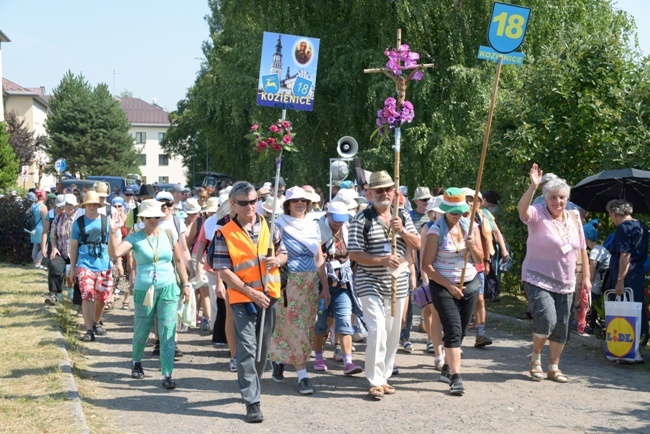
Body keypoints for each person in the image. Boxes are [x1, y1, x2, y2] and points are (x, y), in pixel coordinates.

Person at [211, 182, 286, 423]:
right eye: (243, 203)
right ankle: (252, 402)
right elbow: (223, 270)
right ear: (233, 204)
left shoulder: (269, 225)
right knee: (246, 350)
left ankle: (252, 383)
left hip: (270, 295)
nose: (249, 206)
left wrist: (279, 260)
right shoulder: (224, 233)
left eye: (253, 201)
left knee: (262, 351)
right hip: (243, 298)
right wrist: (250, 292)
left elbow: (283, 252)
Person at [348, 171, 420, 400]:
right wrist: (381, 260)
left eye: (388, 189)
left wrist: (403, 231)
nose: (385, 193)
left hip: (396, 281)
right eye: (379, 190)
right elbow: (354, 253)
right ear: (370, 193)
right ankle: (374, 379)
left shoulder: (404, 216)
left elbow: (417, 244)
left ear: (394, 191)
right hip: (370, 281)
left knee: (392, 332)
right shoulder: (362, 219)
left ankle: (385, 376)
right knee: (377, 328)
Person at [518, 163, 590, 383]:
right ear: (545, 198)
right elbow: (522, 210)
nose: (558, 202)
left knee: (562, 326)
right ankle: (536, 358)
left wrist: (586, 277)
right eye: (553, 198)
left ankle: (554, 366)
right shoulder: (537, 214)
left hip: (566, 280)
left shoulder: (574, 217)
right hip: (537, 276)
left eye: (561, 197)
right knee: (547, 319)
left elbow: (582, 249)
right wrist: (532, 187)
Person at [108, 199, 190, 390]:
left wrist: (185, 284)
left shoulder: (169, 234)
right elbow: (115, 252)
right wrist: (113, 232)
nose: (153, 220)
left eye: (157, 217)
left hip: (168, 286)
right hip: (145, 289)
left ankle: (167, 373)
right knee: (142, 329)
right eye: (149, 217)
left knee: (168, 330)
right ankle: (136, 361)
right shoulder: (135, 237)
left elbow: (178, 260)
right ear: (142, 218)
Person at [421, 187, 483, 395]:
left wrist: (472, 247)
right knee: (454, 330)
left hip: (470, 283)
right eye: (453, 212)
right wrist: (450, 286)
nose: (457, 216)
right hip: (443, 286)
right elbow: (427, 266)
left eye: (460, 212)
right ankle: (456, 378)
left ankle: (447, 366)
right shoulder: (435, 232)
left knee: (462, 331)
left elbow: (481, 259)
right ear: (445, 210)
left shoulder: (471, 226)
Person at [269, 186, 330, 396]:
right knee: (292, 327)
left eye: (304, 200)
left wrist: (326, 288)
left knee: (305, 328)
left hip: (310, 283)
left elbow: (319, 258)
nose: (300, 203)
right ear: (287, 204)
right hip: (288, 282)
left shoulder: (313, 226)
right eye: (295, 201)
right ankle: (302, 374)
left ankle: (280, 359)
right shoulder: (278, 226)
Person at [313, 201, 364, 375]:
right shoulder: (318, 230)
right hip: (321, 282)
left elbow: (354, 256)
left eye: (341, 220)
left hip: (342, 281)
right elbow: (318, 260)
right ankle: (318, 357)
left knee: (344, 320)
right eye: (336, 219)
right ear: (327, 215)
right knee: (320, 323)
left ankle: (348, 362)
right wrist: (324, 289)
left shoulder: (347, 229)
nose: (338, 223)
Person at [67, 191, 115, 342]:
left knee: (102, 297)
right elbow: (74, 245)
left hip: (103, 263)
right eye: (89, 204)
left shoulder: (106, 222)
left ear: (98, 205)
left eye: (95, 204)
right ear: (85, 205)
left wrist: (118, 262)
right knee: (87, 294)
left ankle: (95, 321)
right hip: (84, 263)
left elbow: (113, 243)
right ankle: (89, 330)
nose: (92, 206)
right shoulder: (78, 222)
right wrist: (72, 267)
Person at [605, 199, 649, 346]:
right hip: (638, 272)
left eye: (610, 215)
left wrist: (620, 280)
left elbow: (625, 254)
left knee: (623, 310)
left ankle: (623, 346)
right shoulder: (641, 226)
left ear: (614, 213)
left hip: (626, 274)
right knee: (636, 308)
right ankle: (636, 343)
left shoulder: (623, 228)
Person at [45, 194, 77, 305]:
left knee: (77, 271)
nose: (69, 207)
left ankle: (76, 296)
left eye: (71, 205)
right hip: (61, 250)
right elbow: (53, 236)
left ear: (75, 206)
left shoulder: (79, 219)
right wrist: (54, 248)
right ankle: (54, 294)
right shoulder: (58, 218)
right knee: (54, 265)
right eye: (67, 205)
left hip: (76, 253)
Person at [27, 190, 48, 270]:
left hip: (33, 228)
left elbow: (27, 213)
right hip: (41, 228)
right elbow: (45, 220)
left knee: (35, 245)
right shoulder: (43, 207)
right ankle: (38, 263)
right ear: (43, 197)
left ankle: (35, 262)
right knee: (44, 246)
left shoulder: (33, 205)